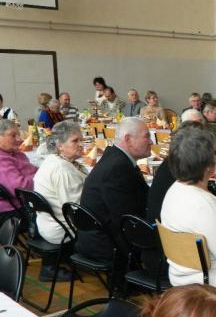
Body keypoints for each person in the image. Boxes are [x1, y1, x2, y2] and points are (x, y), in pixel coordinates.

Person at [160, 126, 216, 288]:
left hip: (178, 274)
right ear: (208, 167)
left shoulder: (174, 189)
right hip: (206, 281)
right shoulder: (204, 204)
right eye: (214, 154)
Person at [77, 117, 151, 266]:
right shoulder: (117, 167)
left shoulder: (116, 157)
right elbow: (126, 217)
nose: (151, 142)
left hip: (98, 237)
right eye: (147, 137)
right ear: (128, 139)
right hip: (106, 245)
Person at [33, 121, 86, 280]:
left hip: (46, 224)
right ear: (60, 146)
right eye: (75, 141)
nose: (81, 144)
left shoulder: (53, 160)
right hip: (61, 230)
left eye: (81, 140)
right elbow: (76, 208)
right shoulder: (62, 170)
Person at [0, 119, 37, 224]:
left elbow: (34, 170)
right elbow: (20, 188)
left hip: (26, 202)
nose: (19, 139)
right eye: (13, 135)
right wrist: (41, 177)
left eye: (18, 135)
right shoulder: (2, 159)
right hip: (13, 211)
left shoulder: (16, 153)